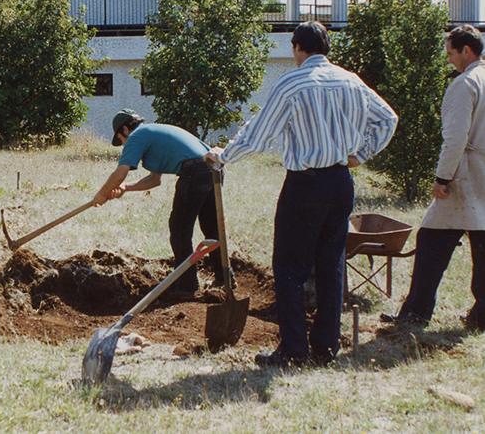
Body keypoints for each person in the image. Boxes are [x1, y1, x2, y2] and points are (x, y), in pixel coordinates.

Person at [205, 21, 398, 367]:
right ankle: (325, 347)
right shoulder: (350, 80)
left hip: (305, 184)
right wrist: (360, 155)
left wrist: (223, 156)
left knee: (289, 267)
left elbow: (258, 136)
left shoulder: (293, 83)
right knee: (331, 263)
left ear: (297, 48)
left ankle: (293, 349)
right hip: (340, 182)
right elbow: (388, 118)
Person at [383, 25, 485, 330]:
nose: (449, 59)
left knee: (430, 240)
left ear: (467, 50)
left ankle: (416, 311)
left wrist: (442, 178)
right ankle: (481, 316)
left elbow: (455, 138)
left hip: (464, 176)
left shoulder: (464, 84)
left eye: (451, 53)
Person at [92, 109, 223, 295]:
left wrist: (100, 195)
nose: (123, 144)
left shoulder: (137, 136)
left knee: (179, 229)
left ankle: (186, 285)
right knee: (212, 228)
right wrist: (125, 188)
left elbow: (120, 172)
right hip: (213, 168)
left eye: (120, 139)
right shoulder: (153, 133)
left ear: (125, 130)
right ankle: (225, 278)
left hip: (195, 171)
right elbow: (154, 180)